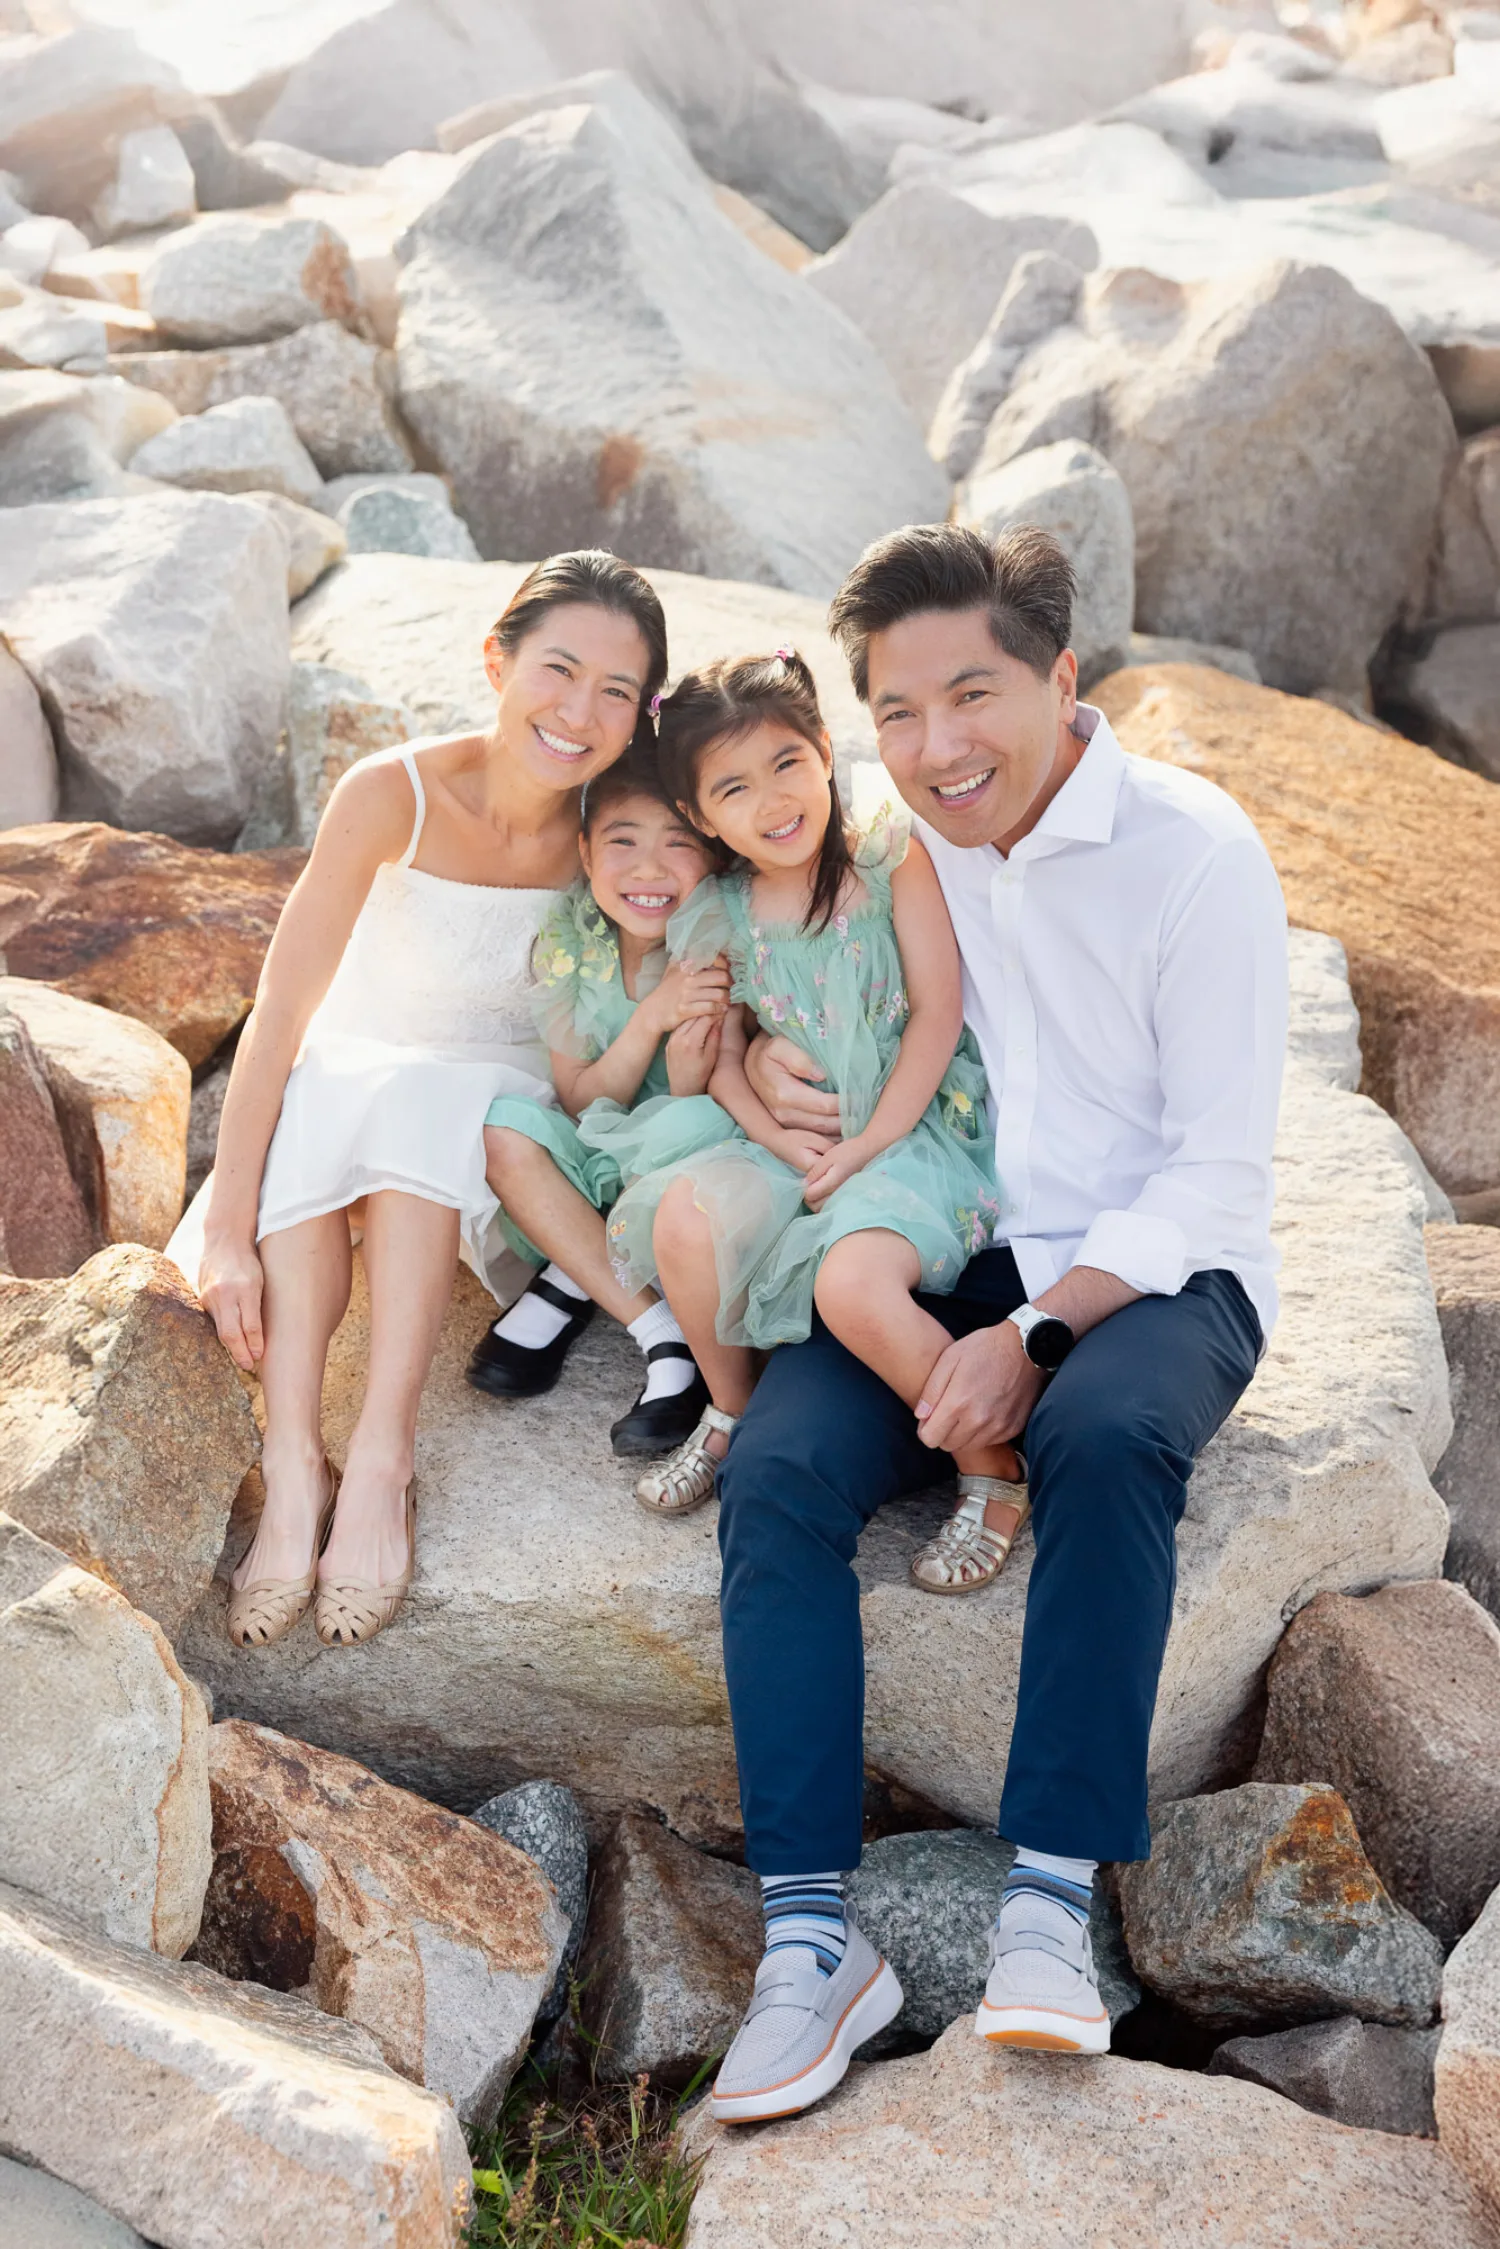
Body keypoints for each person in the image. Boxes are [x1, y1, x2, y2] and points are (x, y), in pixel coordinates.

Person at [706, 525, 1287, 2124]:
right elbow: (758, 964)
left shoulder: (1195, 852)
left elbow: (1218, 1171)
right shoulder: (907, 844)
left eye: (973, 694)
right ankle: (809, 1942)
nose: (937, 745)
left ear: (1062, 678)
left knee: (1101, 1434)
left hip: (1160, 1268)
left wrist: (1033, 1336)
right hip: (967, 1237)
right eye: (897, 712)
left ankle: (1047, 1900)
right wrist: (751, 1069)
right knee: (779, 1471)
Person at [179, 550, 667, 1651]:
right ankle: (293, 1462)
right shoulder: (389, 793)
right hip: (351, 1084)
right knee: (348, 1078)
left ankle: (381, 1459)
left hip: (501, 1122)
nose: (578, 713)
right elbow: (282, 1008)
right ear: (496, 660)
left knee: (419, 1102)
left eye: (616, 691)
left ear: (642, 713)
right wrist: (225, 1228)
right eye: (558, 669)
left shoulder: (616, 829)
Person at [601, 649, 1019, 1545]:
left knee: (852, 1285)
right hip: (793, 1139)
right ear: (698, 813)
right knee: (684, 1220)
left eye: (787, 762)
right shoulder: (721, 912)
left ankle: (991, 1463)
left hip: (910, 1131)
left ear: (826, 749)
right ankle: (730, 1407)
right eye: (734, 788)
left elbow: (938, 1012)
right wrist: (781, 1141)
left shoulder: (888, 859)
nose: (773, 800)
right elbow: (720, 1059)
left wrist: (868, 1144)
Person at [470, 745, 732, 1456]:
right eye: (623, 842)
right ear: (585, 852)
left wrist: (684, 1039)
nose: (649, 870)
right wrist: (651, 1017)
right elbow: (582, 1100)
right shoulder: (569, 938)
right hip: (600, 1149)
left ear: (714, 854)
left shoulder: (715, 939)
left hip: (686, 1162)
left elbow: (704, 1098)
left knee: (691, 1125)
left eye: (679, 843)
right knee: (502, 1127)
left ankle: (572, 1276)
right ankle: (659, 1331)